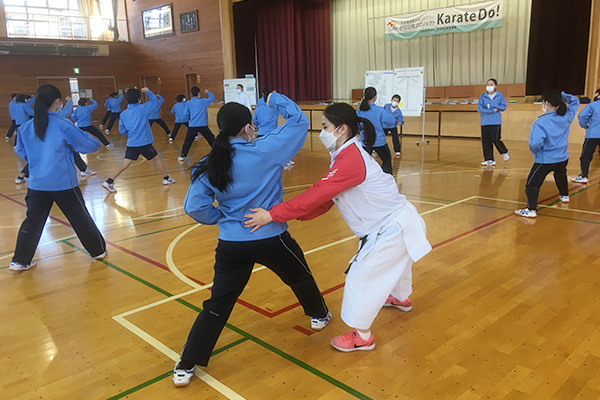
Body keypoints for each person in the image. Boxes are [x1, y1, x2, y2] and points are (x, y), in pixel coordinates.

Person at [244, 102, 431, 352]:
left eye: (325, 127)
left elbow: (317, 194)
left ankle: (362, 336)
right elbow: (328, 199)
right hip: (398, 222)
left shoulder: (350, 159)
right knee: (398, 264)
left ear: (341, 129)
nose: (321, 132)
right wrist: (294, 216)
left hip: (391, 228)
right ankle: (400, 298)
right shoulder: (344, 154)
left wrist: (273, 215)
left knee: (360, 278)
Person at [172, 93, 331, 387]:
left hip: (231, 245)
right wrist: (275, 98)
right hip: (271, 237)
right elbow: (298, 121)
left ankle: (187, 363)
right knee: (299, 276)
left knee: (217, 304)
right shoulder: (265, 150)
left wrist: (221, 219)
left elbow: (193, 206)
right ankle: (319, 315)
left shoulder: (209, 163)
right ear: (248, 128)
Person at [9, 84, 106, 272]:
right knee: (79, 216)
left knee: (33, 221)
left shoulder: (26, 127)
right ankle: (97, 251)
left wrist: (37, 160)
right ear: (57, 102)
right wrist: (94, 139)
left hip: (37, 184)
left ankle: (20, 260)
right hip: (63, 183)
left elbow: (20, 150)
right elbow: (88, 145)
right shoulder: (63, 124)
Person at [515, 91, 579, 218]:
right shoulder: (567, 116)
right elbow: (575, 101)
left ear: (547, 103)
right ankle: (564, 195)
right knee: (560, 175)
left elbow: (535, 143)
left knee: (532, 184)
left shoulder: (540, 122)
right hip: (562, 158)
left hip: (545, 160)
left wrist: (536, 152)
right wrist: (562, 94)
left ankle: (531, 209)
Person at [101, 88, 175, 193]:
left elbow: (122, 130)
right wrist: (148, 91)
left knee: (125, 164)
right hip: (144, 143)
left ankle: (109, 181)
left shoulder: (123, 114)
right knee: (157, 159)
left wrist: (132, 134)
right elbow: (154, 101)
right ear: (139, 99)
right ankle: (166, 179)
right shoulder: (143, 108)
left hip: (132, 143)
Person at [356, 87, 397, 175]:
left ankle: (363, 178)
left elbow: (357, 126)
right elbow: (390, 121)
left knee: (364, 162)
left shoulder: (359, 110)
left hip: (365, 141)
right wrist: (395, 119)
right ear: (375, 97)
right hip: (379, 141)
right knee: (386, 159)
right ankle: (385, 178)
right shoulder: (379, 110)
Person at [477, 79, 509, 167]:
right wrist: (492, 110)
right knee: (486, 141)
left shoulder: (500, 96)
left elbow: (503, 107)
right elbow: (480, 109)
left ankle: (504, 151)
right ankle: (489, 159)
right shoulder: (482, 96)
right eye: (487, 84)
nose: (489, 86)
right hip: (484, 122)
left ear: (495, 86)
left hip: (495, 121)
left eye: (491, 84)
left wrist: (493, 106)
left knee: (495, 139)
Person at [178, 87, 215, 161]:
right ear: (199, 93)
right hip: (203, 124)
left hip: (192, 125)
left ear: (191, 94)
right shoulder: (203, 101)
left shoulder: (188, 103)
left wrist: (189, 120)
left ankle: (183, 155)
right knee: (211, 139)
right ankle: (219, 152)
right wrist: (208, 92)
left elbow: (185, 113)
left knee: (188, 140)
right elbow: (212, 98)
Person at [572, 88, 600, 184]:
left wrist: (585, 125)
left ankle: (584, 176)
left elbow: (581, 115)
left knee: (585, 157)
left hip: (592, 135)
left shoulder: (593, 105)